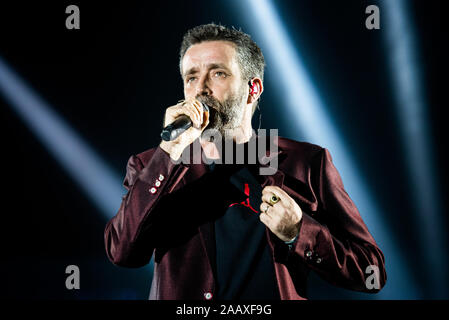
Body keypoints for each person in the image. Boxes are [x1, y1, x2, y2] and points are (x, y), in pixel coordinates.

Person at [104, 23, 386, 300]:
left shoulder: (305, 163)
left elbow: (370, 271)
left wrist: (300, 233)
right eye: (191, 77)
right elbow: (122, 252)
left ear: (253, 89)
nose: (200, 88)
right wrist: (167, 154)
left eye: (218, 73)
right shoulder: (152, 166)